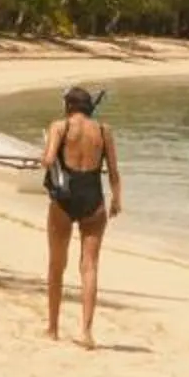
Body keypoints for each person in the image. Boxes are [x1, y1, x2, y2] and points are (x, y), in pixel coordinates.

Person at [40, 87, 120, 347]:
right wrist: (116, 199)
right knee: (90, 267)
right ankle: (86, 331)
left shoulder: (59, 126)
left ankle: (52, 328)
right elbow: (114, 172)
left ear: (69, 106)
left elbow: (49, 158)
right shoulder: (103, 130)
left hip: (64, 200)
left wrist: (43, 154)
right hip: (94, 199)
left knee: (56, 264)